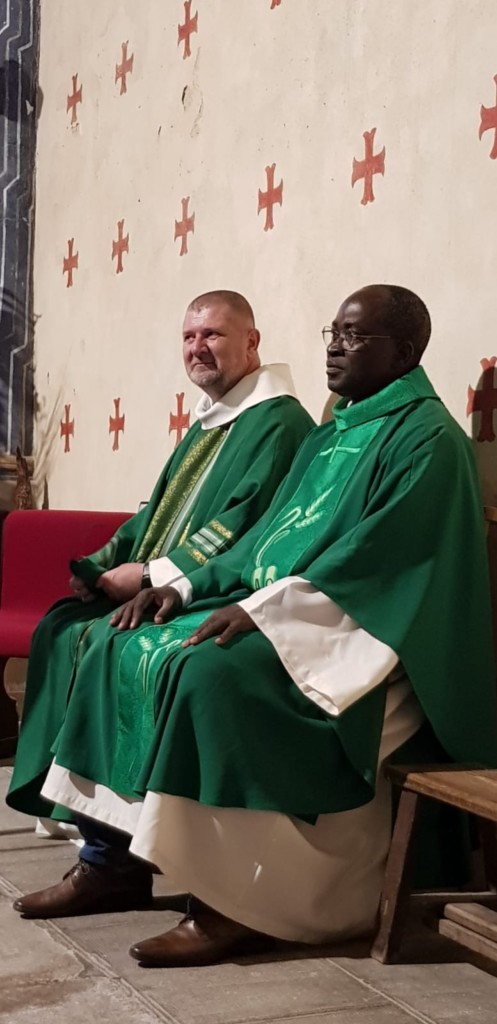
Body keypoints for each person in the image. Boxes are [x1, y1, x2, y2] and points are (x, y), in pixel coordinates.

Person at [10, 284, 497, 969]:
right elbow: (264, 537)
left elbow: (380, 565)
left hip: (359, 639)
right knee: (124, 642)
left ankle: (231, 905)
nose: (334, 347)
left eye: (355, 337)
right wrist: (179, 587)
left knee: (206, 673)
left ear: (405, 351)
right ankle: (110, 863)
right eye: (333, 332)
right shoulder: (336, 430)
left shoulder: (427, 440)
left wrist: (260, 609)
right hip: (290, 612)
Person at [7, 288, 314, 822]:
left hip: (214, 589)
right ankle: (67, 806)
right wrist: (102, 565)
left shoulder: (278, 423)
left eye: (212, 334)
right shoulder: (210, 420)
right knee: (59, 625)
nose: (198, 347)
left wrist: (153, 576)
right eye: (189, 336)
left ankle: (114, 823)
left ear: (252, 341)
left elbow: (242, 523)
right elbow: (156, 513)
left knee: (104, 637)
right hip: (165, 584)